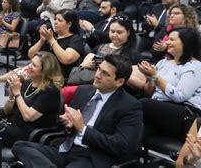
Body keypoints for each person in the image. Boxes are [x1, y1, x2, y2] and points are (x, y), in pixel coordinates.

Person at [12, 54, 143, 168]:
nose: (97, 75)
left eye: (105, 74)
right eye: (99, 69)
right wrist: (68, 125)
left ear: (119, 81)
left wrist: (83, 129)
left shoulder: (130, 106)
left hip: (92, 156)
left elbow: (121, 145)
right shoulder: (83, 91)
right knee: (20, 146)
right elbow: (65, 127)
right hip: (66, 149)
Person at [0, 52, 63, 146]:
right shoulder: (28, 82)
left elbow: (28, 117)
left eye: (34, 65)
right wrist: (11, 96)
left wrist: (17, 93)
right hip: (11, 124)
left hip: (29, 133)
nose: (29, 66)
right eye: (30, 62)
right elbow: (7, 111)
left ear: (44, 71)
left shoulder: (51, 91)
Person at [136, 28, 201, 141]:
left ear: (186, 43)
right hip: (160, 111)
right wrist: (150, 78)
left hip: (185, 113)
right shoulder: (163, 63)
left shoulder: (196, 67)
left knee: (141, 104)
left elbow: (180, 96)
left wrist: (156, 76)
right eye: (168, 39)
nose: (167, 42)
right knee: (137, 131)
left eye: (172, 39)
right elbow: (150, 92)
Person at [28, 9, 84, 82]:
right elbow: (30, 55)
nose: (55, 22)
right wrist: (41, 41)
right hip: (40, 72)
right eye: (55, 19)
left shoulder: (76, 39)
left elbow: (66, 59)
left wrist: (51, 40)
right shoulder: (52, 36)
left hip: (57, 77)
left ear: (69, 24)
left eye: (59, 20)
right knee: (11, 76)